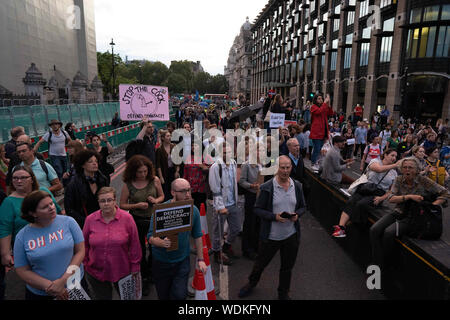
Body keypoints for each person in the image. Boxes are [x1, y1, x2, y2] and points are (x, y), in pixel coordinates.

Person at [239, 156, 306, 300]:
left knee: (287, 268)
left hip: (291, 235)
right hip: (271, 236)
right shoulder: (267, 187)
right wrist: (274, 217)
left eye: (288, 167)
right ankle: (251, 283)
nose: (285, 171)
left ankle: (283, 293)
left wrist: (297, 215)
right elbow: (257, 209)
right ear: (276, 168)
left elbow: (303, 207)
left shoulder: (297, 186)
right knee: (260, 264)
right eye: (282, 167)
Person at [370, 157, 449, 268]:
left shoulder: (423, 180)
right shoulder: (398, 179)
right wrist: (408, 197)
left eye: (410, 167)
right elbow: (391, 198)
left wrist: (432, 206)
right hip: (398, 211)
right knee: (374, 229)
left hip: (414, 216)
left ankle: (385, 262)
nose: (407, 170)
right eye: (404, 167)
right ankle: (376, 259)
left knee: (389, 233)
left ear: (417, 170)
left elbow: (445, 193)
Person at [0, 168, 63, 299]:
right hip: (30, 249)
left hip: (54, 241)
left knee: (60, 272)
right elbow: (5, 228)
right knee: (39, 280)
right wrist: (5, 253)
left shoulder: (44, 192)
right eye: (15, 178)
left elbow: (58, 212)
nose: (18, 181)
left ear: (31, 178)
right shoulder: (8, 202)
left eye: (23, 177)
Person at [13, 190, 85, 300]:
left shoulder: (69, 222)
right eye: (45, 207)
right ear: (33, 213)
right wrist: (50, 286)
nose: (51, 207)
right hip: (41, 293)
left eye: (51, 203)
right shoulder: (22, 236)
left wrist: (64, 280)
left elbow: (80, 251)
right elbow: (22, 270)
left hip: (74, 284)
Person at [147, 179, 207, 300]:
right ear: (173, 192)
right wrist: (159, 242)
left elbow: (197, 235)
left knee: (180, 295)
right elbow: (150, 237)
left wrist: (201, 259)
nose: (188, 194)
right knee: (163, 295)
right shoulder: (161, 210)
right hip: (161, 262)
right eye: (183, 191)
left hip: (182, 262)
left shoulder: (193, 210)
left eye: (189, 190)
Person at [83, 187, 141, 300]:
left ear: (115, 201)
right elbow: (84, 244)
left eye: (109, 200)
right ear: (98, 202)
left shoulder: (127, 218)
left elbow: (135, 244)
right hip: (96, 271)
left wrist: (135, 266)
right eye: (102, 201)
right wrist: (85, 263)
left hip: (122, 270)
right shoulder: (90, 220)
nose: (106, 204)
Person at [119, 155, 164, 295]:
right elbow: (122, 205)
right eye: (140, 172)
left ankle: (152, 273)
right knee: (139, 251)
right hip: (136, 221)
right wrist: (136, 205)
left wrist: (156, 200)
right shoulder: (128, 184)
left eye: (145, 171)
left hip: (153, 219)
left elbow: (162, 196)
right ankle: (143, 276)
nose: (143, 174)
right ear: (133, 171)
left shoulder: (154, 180)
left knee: (155, 247)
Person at [332, 149, 399, 237]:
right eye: (392, 155)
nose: (394, 158)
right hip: (366, 188)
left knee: (361, 204)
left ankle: (351, 225)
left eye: (395, 157)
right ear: (385, 155)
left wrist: (381, 198)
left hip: (379, 193)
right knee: (351, 201)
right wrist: (395, 165)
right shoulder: (375, 161)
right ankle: (340, 227)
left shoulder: (394, 173)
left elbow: (392, 190)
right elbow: (378, 169)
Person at [209, 142, 240, 266]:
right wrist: (220, 207)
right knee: (218, 232)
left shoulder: (233, 163)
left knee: (236, 228)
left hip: (233, 203)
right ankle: (217, 254)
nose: (228, 154)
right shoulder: (216, 167)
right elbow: (215, 188)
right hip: (221, 206)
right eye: (225, 152)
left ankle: (226, 248)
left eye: (229, 152)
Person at [64, 149, 109, 228]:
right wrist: (86, 221)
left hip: (103, 221)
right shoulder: (73, 185)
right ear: (82, 165)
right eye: (90, 161)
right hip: (84, 224)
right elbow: (69, 209)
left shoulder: (103, 180)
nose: (95, 163)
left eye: (96, 161)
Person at [239, 143, 263, 260]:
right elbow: (241, 181)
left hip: (261, 196)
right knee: (250, 223)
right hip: (251, 195)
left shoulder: (263, 164)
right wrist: (251, 185)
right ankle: (247, 249)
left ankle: (256, 246)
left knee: (258, 222)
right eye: (259, 150)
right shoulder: (247, 165)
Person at [310, 93, 334, 170]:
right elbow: (318, 112)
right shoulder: (313, 107)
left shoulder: (324, 106)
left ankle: (318, 163)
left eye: (321, 98)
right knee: (317, 148)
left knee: (320, 149)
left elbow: (331, 113)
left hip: (323, 132)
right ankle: (313, 163)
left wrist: (328, 103)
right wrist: (325, 103)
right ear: (315, 100)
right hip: (316, 132)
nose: (320, 100)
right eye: (319, 98)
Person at [183, 142, 209, 211]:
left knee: (201, 207)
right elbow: (185, 173)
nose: (193, 147)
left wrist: (203, 167)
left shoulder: (205, 157)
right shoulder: (189, 158)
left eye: (195, 145)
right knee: (192, 208)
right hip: (191, 187)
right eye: (192, 146)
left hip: (201, 187)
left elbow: (211, 169)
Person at [156, 130, 180, 201]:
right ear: (163, 138)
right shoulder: (159, 150)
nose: (170, 137)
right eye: (168, 136)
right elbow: (158, 165)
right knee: (166, 191)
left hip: (173, 171)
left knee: (174, 190)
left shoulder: (174, 146)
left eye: (170, 136)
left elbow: (177, 161)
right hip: (164, 172)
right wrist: (161, 177)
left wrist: (177, 171)